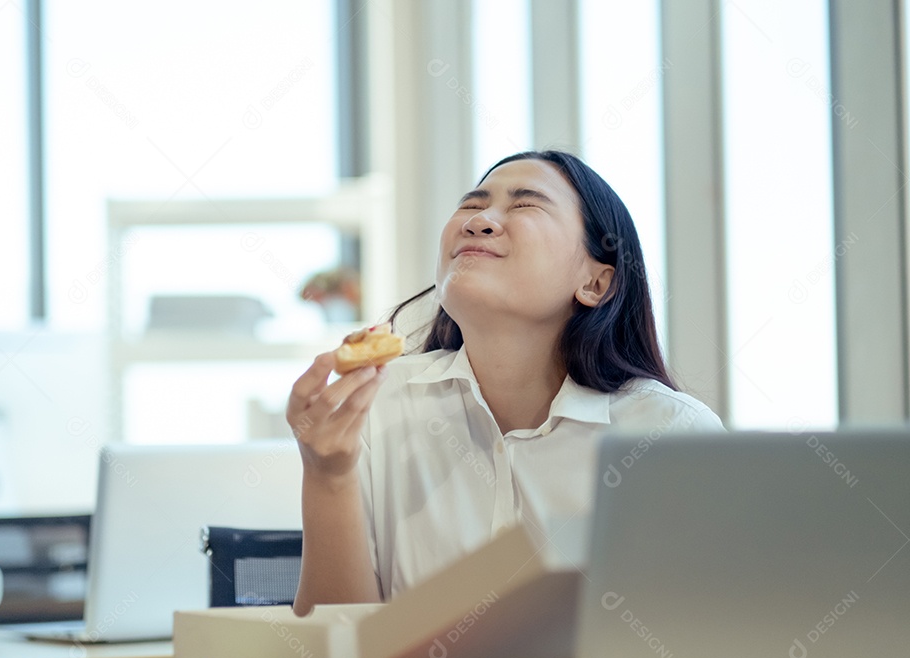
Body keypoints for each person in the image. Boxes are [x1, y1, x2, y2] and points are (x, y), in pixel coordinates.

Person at [286, 150, 724, 615]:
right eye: (472, 205)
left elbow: (709, 645)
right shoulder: (378, 405)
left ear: (596, 283)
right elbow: (337, 652)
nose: (480, 221)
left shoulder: (669, 435)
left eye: (525, 205)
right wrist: (327, 475)